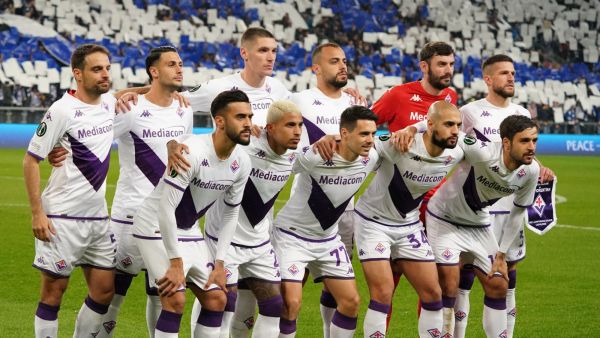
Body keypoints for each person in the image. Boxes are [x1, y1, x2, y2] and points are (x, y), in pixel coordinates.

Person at [132, 89, 252, 337]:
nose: (248, 123)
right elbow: (166, 207)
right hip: (154, 225)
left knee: (217, 298)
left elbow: (231, 215)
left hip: (188, 228)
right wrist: (176, 263)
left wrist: (219, 263)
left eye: (249, 116)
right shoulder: (191, 152)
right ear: (219, 121)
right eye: (240, 117)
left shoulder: (241, 161)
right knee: (175, 300)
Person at [452, 54, 555, 338]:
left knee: (507, 278)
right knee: (465, 276)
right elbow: (454, 146)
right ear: (488, 79)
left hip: (511, 211)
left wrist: (541, 167)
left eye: (512, 73)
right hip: (475, 210)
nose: (511, 77)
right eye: (503, 73)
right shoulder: (470, 112)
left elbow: (525, 155)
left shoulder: (521, 111)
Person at [23, 44, 117, 338]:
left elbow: (132, 95)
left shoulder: (109, 103)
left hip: (98, 219)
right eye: (96, 69)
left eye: (107, 68)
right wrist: (38, 213)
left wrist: (166, 91)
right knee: (54, 292)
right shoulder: (62, 110)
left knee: (104, 292)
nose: (105, 75)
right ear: (77, 74)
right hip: (62, 217)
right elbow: (30, 160)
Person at [100, 46, 193, 337]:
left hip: (165, 217)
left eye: (180, 64)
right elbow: (93, 124)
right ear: (154, 71)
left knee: (161, 292)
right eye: (171, 64)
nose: (179, 69)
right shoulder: (130, 108)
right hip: (130, 216)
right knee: (112, 294)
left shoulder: (184, 109)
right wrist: (132, 91)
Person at [355, 101, 463, 338]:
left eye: (458, 125)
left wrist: (536, 165)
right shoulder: (398, 143)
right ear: (431, 125)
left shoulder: (460, 147)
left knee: (433, 294)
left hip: (408, 225)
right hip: (373, 223)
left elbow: (499, 153)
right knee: (383, 293)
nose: (455, 130)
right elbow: (357, 143)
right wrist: (332, 138)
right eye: (448, 124)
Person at [370, 41, 459, 330]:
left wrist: (414, 127)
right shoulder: (399, 95)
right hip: (395, 202)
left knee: (437, 283)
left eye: (451, 64)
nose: (448, 70)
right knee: (389, 282)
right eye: (441, 64)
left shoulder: (450, 96)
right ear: (424, 66)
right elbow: (370, 123)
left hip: (434, 204)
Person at [426, 115, 540, 338]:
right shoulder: (483, 152)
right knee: (449, 284)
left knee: (498, 285)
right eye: (525, 141)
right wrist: (412, 129)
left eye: (535, 141)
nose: (532, 147)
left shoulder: (531, 171)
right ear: (506, 143)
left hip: (478, 223)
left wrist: (501, 254)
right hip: (444, 218)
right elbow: (447, 130)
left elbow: (517, 214)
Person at [273, 106, 380, 338]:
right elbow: (278, 159)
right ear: (344, 133)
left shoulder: (372, 156)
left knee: (351, 302)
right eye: (363, 134)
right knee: (290, 303)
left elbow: (403, 137)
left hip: (328, 239)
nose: (370, 140)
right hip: (292, 237)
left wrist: (416, 127)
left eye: (373, 133)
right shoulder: (317, 154)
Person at [204, 100, 303, 338]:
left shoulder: (295, 157)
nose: (297, 131)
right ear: (270, 128)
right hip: (223, 241)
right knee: (221, 303)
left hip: (259, 244)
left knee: (273, 306)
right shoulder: (245, 145)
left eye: (300, 125)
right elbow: (214, 141)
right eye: (290, 125)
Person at [290, 42, 361, 337]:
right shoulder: (299, 100)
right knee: (293, 290)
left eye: (344, 61)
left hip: (344, 210)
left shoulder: (356, 105)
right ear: (315, 68)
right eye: (334, 61)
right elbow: (280, 144)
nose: (343, 66)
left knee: (337, 287)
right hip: (306, 207)